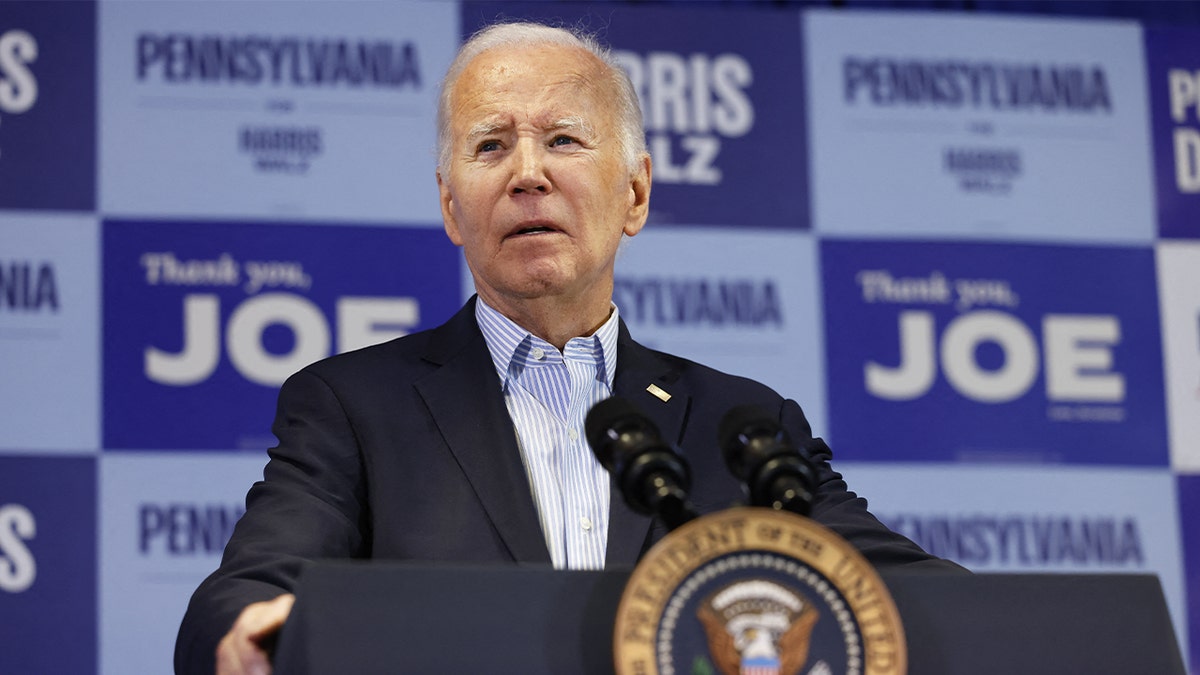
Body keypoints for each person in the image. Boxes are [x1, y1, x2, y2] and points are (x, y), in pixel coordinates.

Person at [175, 20, 961, 675]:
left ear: (636, 193)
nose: (527, 174)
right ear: (452, 208)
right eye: (490, 147)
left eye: (563, 139)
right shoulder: (356, 405)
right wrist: (252, 630)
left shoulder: (744, 424)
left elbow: (905, 590)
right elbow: (250, 583)